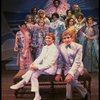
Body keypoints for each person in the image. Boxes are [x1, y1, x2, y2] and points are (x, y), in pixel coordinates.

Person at [10, 32, 59, 100]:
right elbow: (40, 57)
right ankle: (37, 95)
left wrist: (37, 67)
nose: (47, 39)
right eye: (46, 38)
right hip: (44, 67)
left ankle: (23, 82)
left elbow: (49, 64)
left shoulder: (55, 49)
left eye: (49, 38)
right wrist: (33, 64)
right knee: (33, 75)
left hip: (50, 68)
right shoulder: (45, 47)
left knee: (33, 69)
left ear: (53, 40)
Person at [55, 30, 88, 100]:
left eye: (68, 37)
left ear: (72, 38)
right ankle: (85, 93)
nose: (66, 40)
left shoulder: (79, 46)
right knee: (69, 79)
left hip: (78, 66)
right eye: (64, 38)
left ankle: (68, 97)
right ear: (62, 39)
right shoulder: (60, 47)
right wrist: (58, 73)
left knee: (71, 78)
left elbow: (77, 61)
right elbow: (60, 62)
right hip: (67, 67)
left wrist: (70, 73)